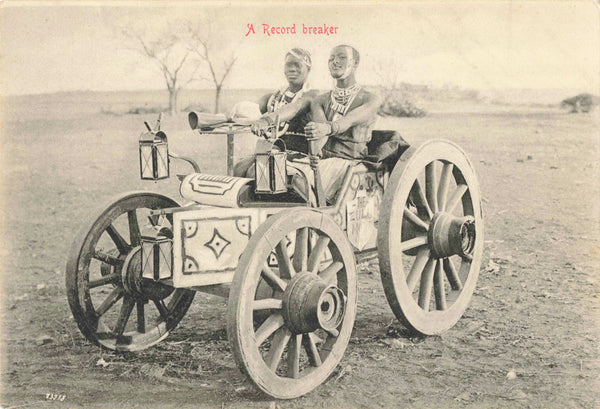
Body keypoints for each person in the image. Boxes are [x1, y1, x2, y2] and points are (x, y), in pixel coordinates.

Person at [301, 44, 381, 203]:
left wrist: (328, 128)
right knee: (289, 176)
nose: (335, 62)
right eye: (331, 59)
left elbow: (349, 120)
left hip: (351, 164)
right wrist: (315, 149)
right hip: (325, 162)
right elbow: (320, 134)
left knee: (301, 184)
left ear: (355, 63)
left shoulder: (370, 99)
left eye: (342, 57)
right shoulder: (320, 100)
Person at [233, 48, 317, 177]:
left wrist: (265, 121)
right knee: (239, 168)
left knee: (254, 173)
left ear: (308, 69)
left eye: (298, 65)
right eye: (289, 65)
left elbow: (294, 108)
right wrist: (236, 111)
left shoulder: (311, 95)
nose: (292, 69)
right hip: (274, 150)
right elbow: (251, 108)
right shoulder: (275, 96)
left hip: (300, 156)